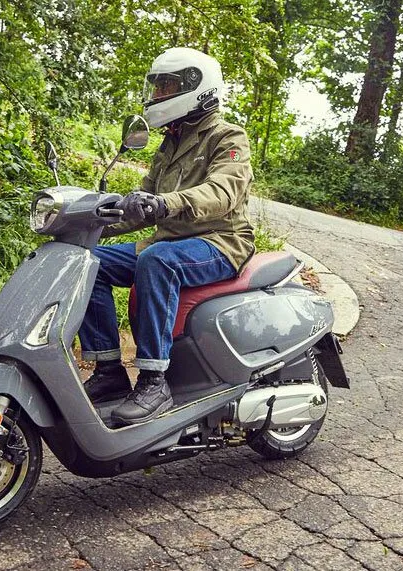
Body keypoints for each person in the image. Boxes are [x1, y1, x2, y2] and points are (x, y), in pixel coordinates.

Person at [78, 47, 256, 425]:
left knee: (157, 261)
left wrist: (165, 204)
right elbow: (141, 205)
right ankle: (109, 372)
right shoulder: (170, 142)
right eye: (157, 87)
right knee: (86, 262)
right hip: (171, 241)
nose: (158, 95)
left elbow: (222, 193)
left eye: (167, 87)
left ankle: (154, 382)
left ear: (196, 86)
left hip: (220, 242)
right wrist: (88, 223)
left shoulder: (228, 137)